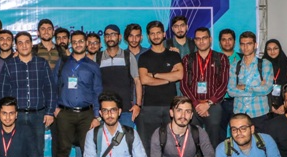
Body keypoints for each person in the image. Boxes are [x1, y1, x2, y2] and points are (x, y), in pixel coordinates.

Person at [0, 31, 56, 157]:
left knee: (37, 149)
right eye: (20, 43)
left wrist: (50, 111)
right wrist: (5, 114)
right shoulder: (9, 65)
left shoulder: (42, 63)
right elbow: (2, 91)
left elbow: (50, 89)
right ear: (16, 46)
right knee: (16, 149)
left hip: (38, 114)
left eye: (27, 42)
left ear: (32, 44)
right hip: (15, 116)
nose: (24, 45)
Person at [51, 30, 102, 157]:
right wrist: (55, 108)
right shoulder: (63, 63)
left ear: (86, 43)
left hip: (87, 114)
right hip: (65, 113)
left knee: (88, 150)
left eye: (81, 41)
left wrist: (97, 115)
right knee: (62, 149)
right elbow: (53, 86)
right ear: (71, 44)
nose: (78, 44)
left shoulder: (93, 66)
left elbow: (97, 91)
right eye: (75, 42)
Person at [137, 20, 183, 150]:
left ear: (164, 34)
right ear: (148, 36)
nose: (156, 36)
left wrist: (154, 74)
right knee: (151, 142)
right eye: (152, 33)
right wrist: (168, 79)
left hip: (170, 106)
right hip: (150, 106)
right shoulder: (144, 57)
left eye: (158, 33)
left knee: (172, 142)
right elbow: (144, 80)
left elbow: (179, 75)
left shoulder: (174, 55)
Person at [181, 26, 230, 149]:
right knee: (192, 138)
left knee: (214, 139)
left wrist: (208, 103)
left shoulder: (221, 58)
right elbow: (184, 85)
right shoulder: (187, 59)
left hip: (213, 105)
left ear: (210, 39)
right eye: (198, 39)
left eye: (204, 38)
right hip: (193, 105)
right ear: (194, 41)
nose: (201, 41)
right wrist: (196, 104)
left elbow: (223, 84)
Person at [98, 24, 142, 129]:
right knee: (105, 139)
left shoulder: (128, 56)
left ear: (120, 37)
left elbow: (137, 81)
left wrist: (138, 105)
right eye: (107, 35)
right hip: (105, 111)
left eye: (113, 34)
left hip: (126, 110)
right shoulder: (98, 57)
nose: (110, 37)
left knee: (126, 138)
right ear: (104, 38)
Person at [227, 31, 274, 121]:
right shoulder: (234, 65)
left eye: (249, 44)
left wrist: (244, 87)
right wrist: (257, 89)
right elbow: (231, 91)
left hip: (259, 113)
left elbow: (266, 89)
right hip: (239, 112)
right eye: (243, 44)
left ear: (255, 45)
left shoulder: (265, 64)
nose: (245, 47)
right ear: (240, 46)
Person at [218, 28, 238, 142]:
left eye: (230, 39)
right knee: (219, 132)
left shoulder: (242, 58)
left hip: (237, 100)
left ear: (234, 41)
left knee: (237, 129)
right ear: (219, 42)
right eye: (224, 39)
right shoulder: (214, 58)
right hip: (219, 101)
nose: (227, 42)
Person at [263, 39, 287, 115]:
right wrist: (269, 105)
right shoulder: (261, 66)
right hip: (266, 104)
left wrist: (285, 105)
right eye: (269, 49)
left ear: (280, 49)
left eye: (275, 48)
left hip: (284, 104)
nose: (272, 51)